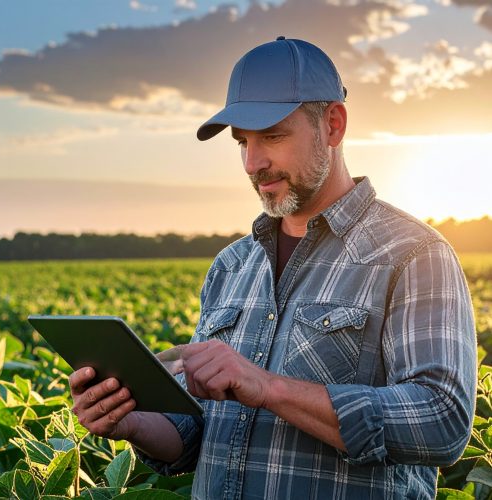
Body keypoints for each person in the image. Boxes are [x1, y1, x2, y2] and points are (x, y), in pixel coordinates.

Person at [69, 37, 477, 499]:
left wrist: (267, 387)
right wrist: (132, 422)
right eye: (242, 141)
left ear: (333, 125)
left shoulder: (412, 253)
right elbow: (200, 435)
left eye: (273, 136)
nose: (252, 162)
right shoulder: (232, 266)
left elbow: (442, 421)